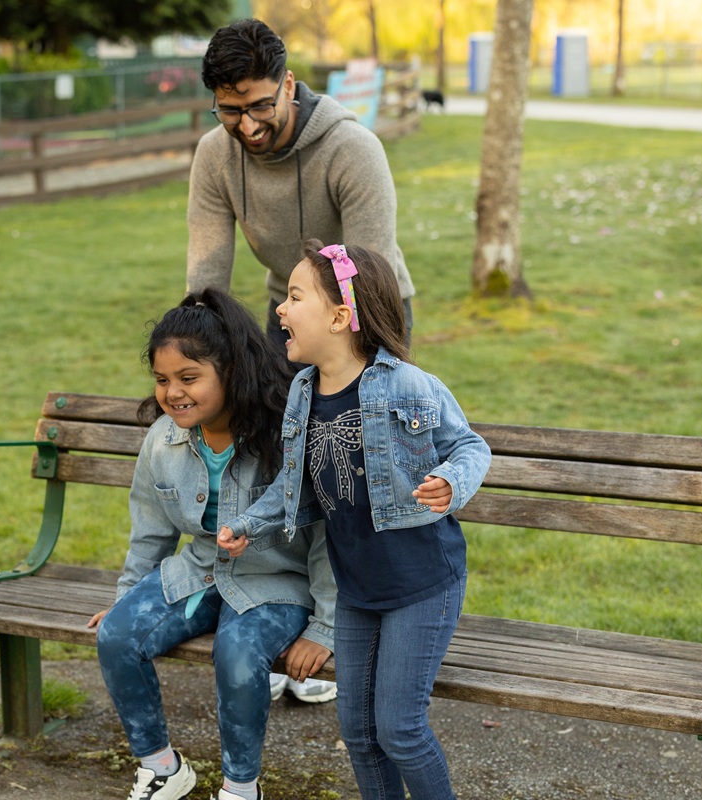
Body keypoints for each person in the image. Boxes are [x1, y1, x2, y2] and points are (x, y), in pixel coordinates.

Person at [217, 240, 491, 800]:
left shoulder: (408, 385)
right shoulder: (302, 392)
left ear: (341, 317)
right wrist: (249, 523)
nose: (280, 309)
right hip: (357, 589)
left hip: (421, 584)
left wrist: (452, 483)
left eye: (295, 297)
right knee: (359, 734)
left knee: (400, 730)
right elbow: (291, 482)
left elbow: (470, 447)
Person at [87, 288, 337, 800]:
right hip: (200, 572)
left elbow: (325, 538)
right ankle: (161, 767)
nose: (172, 392)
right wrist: (127, 597)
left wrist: (325, 626)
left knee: (239, 654)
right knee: (116, 635)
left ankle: (240, 788)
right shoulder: (163, 439)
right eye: (162, 380)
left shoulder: (282, 437)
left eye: (189, 378)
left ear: (231, 373)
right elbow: (151, 529)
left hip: (276, 585)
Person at [187, 18, 416, 355]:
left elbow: (368, 274)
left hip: (367, 310)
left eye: (261, 106)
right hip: (286, 311)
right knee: (279, 408)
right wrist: (200, 346)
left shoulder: (351, 149)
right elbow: (207, 275)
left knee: (351, 409)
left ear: (289, 86)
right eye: (231, 112)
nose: (248, 126)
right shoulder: (214, 155)